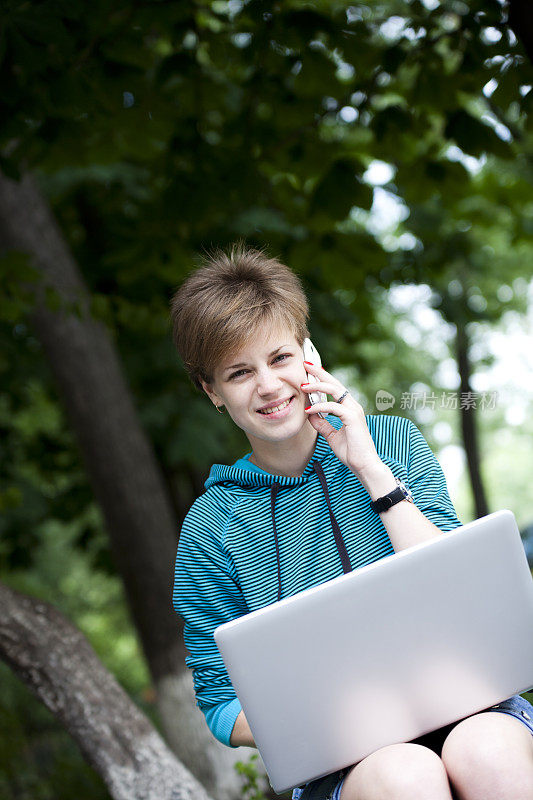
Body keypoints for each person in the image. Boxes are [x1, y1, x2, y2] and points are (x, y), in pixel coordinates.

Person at [170, 242, 533, 800]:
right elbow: (220, 703)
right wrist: (313, 724)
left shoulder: (394, 442)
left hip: (472, 707)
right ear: (212, 392)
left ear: (309, 354)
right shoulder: (210, 528)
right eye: (239, 372)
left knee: (490, 753)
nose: (268, 386)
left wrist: (366, 465)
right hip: (344, 763)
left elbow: (457, 590)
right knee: (405, 776)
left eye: (280, 358)